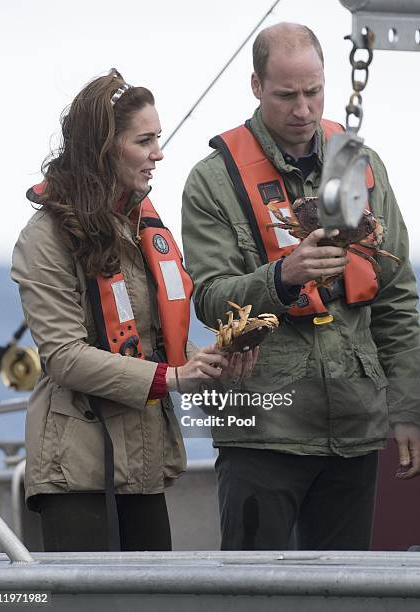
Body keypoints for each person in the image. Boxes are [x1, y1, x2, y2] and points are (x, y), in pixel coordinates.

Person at [181, 23, 420, 551]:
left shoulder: (363, 164)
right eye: (287, 95)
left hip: (356, 427)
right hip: (263, 430)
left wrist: (406, 410)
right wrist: (282, 277)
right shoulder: (211, 181)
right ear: (255, 85)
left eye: (313, 92)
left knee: (346, 589)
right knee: (252, 589)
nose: (303, 109)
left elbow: (398, 295)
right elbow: (210, 298)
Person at [11, 69, 255, 552]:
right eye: (144, 141)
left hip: (143, 463)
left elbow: (160, 342)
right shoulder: (43, 239)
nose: (158, 153)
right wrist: (173, 378)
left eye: (158, 138)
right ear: (104, 148)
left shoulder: (143, 230)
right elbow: (63, 356)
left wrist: (211, 364)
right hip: (75, 471)